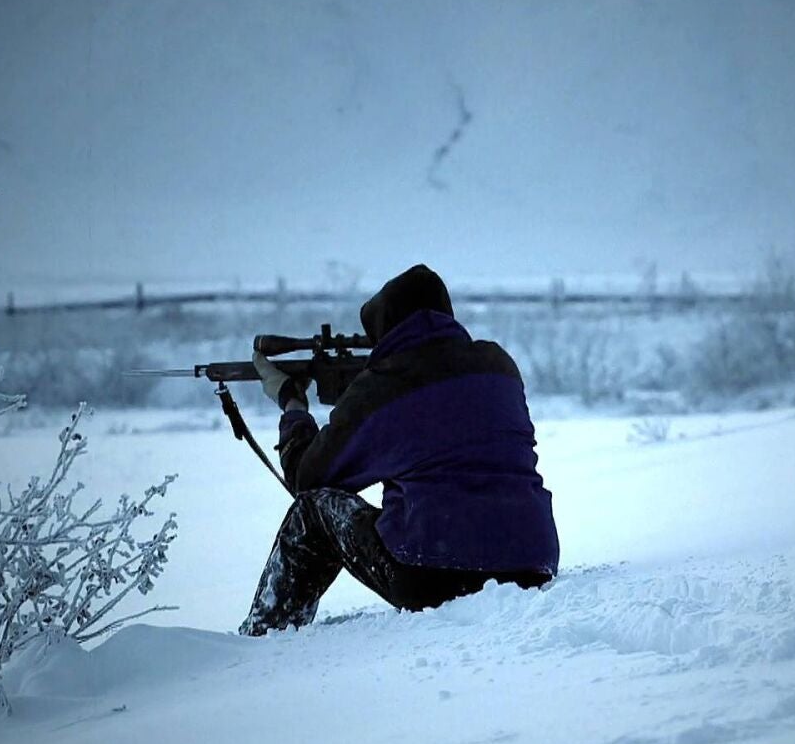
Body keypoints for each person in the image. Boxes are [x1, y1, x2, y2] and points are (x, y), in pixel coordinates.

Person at [238, 263, 559, 636]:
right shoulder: (498, 366)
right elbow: (446, 420)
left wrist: (293, 406)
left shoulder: (385, 386)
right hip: (532, 564)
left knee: (312, 511)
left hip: (435, 571)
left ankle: (264, 636)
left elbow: (307, 477)